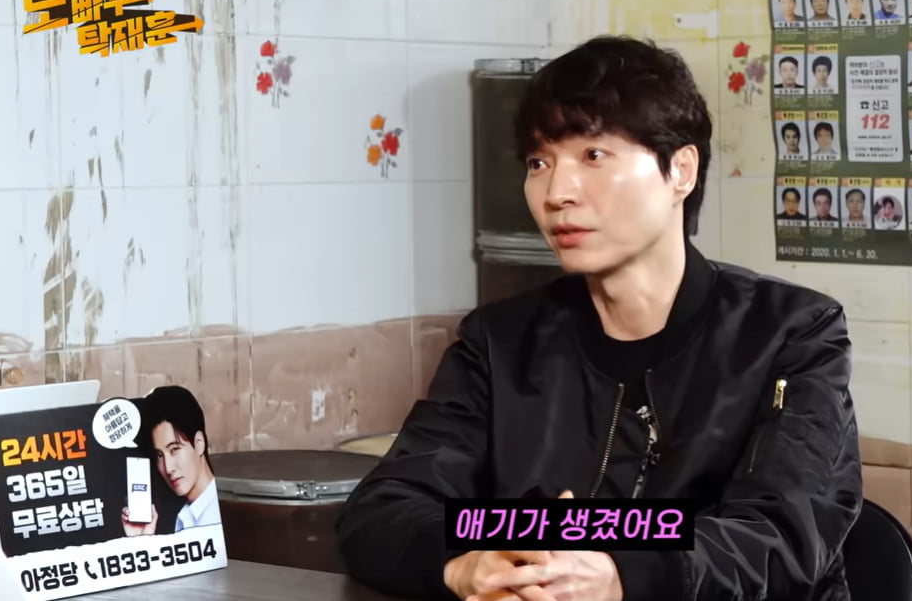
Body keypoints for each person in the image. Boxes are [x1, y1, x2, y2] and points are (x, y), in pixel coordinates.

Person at [336, 36, 862, 601]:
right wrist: (466, 564)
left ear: (681, 171)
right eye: (539, 163)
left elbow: (780, 535)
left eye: (593, 156)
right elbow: (381, 509)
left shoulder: (790, 333)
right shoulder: (499, 342)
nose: (556, 193)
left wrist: (619, 576)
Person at [122, 385, 220, 536]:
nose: (167, 468)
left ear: (199, 443)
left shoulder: (223, 511)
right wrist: (142, 539)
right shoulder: (183, 517)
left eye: (174, 449)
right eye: (159, 455)